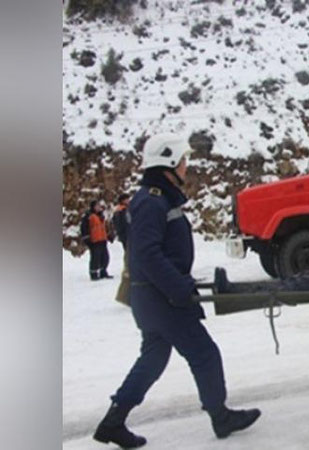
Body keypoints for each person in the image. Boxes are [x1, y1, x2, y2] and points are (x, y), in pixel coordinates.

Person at [93, 133, 260, 448]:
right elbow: (146, 254)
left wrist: (178, 282)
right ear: (169, 162)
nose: (186, 165)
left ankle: (113, 422)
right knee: (204, 353)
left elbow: (155, 252)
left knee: (154, 358)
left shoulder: (155, 198)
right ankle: (220, 415)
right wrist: (178, 288)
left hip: (154, 296)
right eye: (183, 160)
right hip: (161, 298)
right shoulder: (152, 200)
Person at [82, 200, 112, 280]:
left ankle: (103, 272)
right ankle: (93, 273)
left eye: (99, 205)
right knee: (95, 258)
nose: (99, 207)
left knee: (105, 257)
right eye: (97, 206)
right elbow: (84, 228)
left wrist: (108, 235)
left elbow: (104, 228)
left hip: (102, 239)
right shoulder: (89, 216)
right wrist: (87, 238)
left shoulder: (101, 216)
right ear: (93, 207)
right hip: (94, 240)